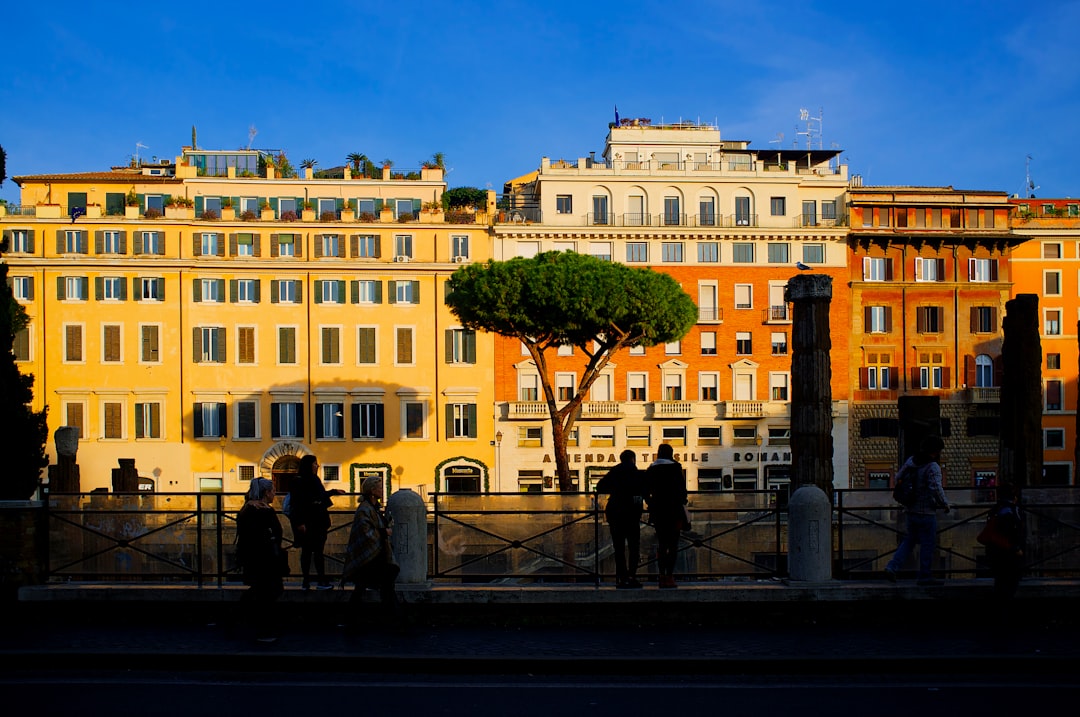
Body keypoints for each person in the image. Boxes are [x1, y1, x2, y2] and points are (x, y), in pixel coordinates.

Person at [885, 435, 952, 586]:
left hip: (911, 510)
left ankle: (892, 566)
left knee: (909, 541)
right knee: (928, 544)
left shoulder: (911, 461)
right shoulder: (932, 466)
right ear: (936, 451)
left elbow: (897, 478)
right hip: (927, 512)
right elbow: (936, 487)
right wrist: (945, 504)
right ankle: (924, 576)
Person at [341, 475, 400, 626]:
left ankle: (390, 618)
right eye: (380, 487)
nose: (382, 490)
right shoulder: (364, 509)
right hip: (369, 557)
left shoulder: (373, 507)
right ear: (372, 491)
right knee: (380, 585)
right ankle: (393, 619)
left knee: (367, 587)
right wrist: (383, 532)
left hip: (375, 555)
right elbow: (365, 532)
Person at [235, 478, 284, 642]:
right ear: (266, 493)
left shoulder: (248, 509)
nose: (275, 494)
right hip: (266, 558)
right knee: (268, 591)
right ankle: (262, 629)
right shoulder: (263, 511)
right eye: (273, 491)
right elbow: (275, 533)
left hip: (255, 557)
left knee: (261, 590)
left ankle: (242, 619)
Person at [287, 454, 344, 590]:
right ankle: (313, 581)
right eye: (314, 463)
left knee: (315, 551)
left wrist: (333, 491)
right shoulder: (300, 481)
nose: (317, 466)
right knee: (311, 552)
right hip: (310, 520)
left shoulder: (311, 480)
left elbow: (319, 495)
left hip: (317, 521)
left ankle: (313, 581)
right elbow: (296, 503)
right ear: (309, 465)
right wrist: (299, 522)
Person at [596, 450, 645, 589]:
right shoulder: (637, 473)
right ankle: (632, 576)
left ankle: (622, 578)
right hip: (632, 514)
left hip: (615, 512)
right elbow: (645, 490)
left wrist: (616, 490)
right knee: (634, 547)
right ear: (633, 459)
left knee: (619, 548)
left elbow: (600, 487)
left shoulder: (615, 472)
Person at [644, 443, 688, 589]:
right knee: (673, 544)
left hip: (658, 512)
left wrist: (651, 503)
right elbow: (682, 490)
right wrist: (682, 500)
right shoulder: (675, 467)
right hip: (674, 511)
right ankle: (670, 576)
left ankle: (661, 576)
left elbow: (645, 490)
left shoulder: (652, 468)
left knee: (662, 544)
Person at [985, 483, 1025, 600]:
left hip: (997, 554)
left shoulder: (996, 509)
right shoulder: (1011, 511)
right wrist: (1016, 549)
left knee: (1000, 584)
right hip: (1010, 555)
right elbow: (1013, 532)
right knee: (1010, 586)